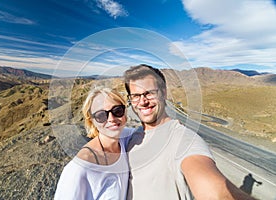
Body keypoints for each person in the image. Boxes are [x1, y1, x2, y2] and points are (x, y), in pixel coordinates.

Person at [124, 64, 255, 200]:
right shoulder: (131, 138)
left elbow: (215, 192)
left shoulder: (184, 140)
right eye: (136, 96)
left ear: (163, 93)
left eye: (149, 93)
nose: (143, 101)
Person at [54, 87, 135, 200]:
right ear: (91, 121)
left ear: (125, 112)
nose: (111, 119)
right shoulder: (80, 169)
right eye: (101, 115)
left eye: (117, 111)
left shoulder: (126, 139)